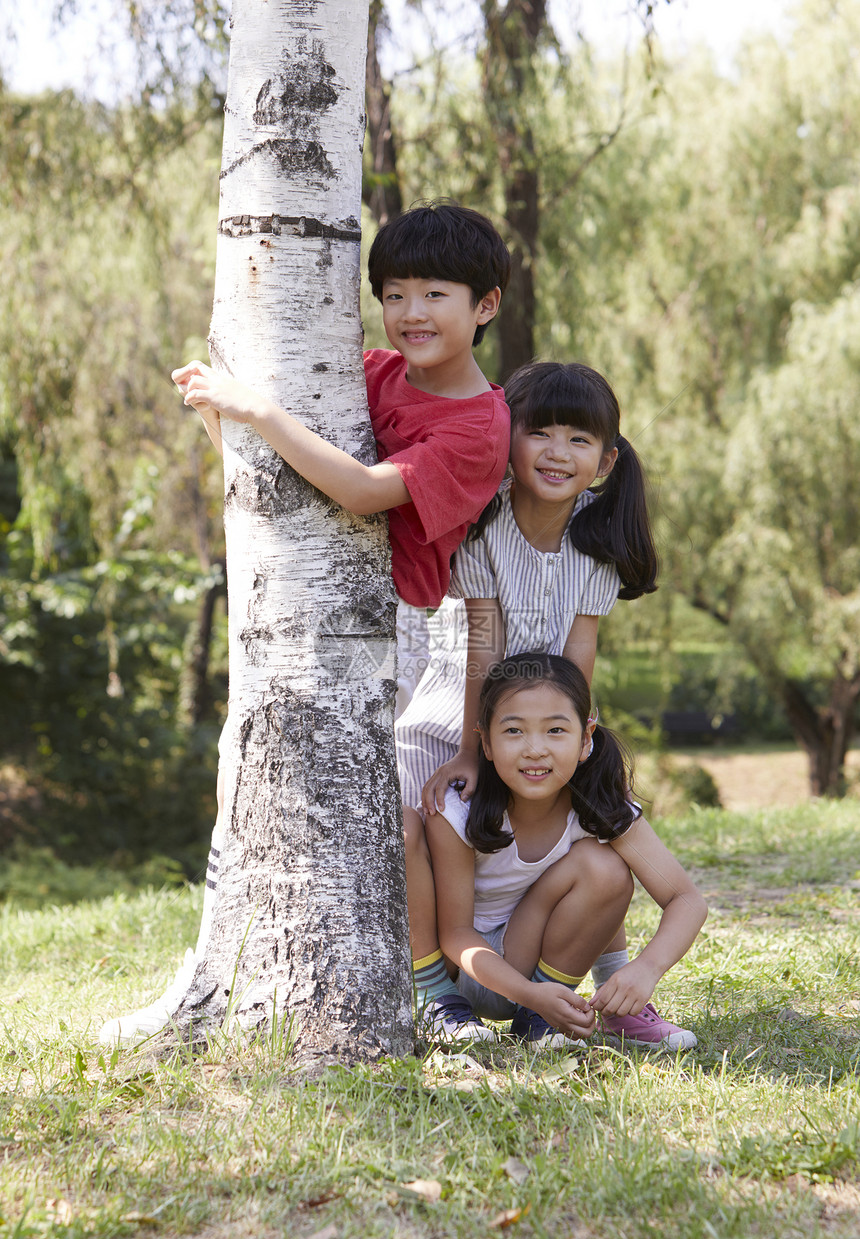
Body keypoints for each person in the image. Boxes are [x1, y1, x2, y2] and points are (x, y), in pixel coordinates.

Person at [99, 201, 512, 1044]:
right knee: (247, 776)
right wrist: (220, 413)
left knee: (380, 809)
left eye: (435, 293)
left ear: (486, 306)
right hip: (304, 610)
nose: (411, 314)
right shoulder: (368, 371)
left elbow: (361, 491)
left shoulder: (481, 426)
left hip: (397, 631)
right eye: (394, 294)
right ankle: (211, 972)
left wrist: (253, 409)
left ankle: (428, 991)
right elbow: (291, 479)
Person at [400, 361, 693, 1050]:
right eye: (541, 433)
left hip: (546, 717)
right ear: (509, 440)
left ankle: (610, 995)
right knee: (414, 827)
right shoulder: (485, 521)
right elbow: (482, 640)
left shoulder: (595, 538)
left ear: (605, 459)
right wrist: (472, 750)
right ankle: (433, 994)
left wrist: (575, 738)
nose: (558, 453)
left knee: (592, 834)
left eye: (578, 439)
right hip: (459, 710)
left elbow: (579, 651)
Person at [417, 652, 707, 1051]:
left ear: (586, 738)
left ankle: (540, 1023)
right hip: (452, 968)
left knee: (604, 867)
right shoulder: (457, 808)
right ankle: (435, 1003)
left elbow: (685, 899)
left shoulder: (599, 805)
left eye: (556, 730)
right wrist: (527, 992)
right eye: (514, 731)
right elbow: (456, 933)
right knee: (399, 824)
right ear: (485, 741)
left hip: (530, 969)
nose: (535, 749)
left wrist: (645, 969)